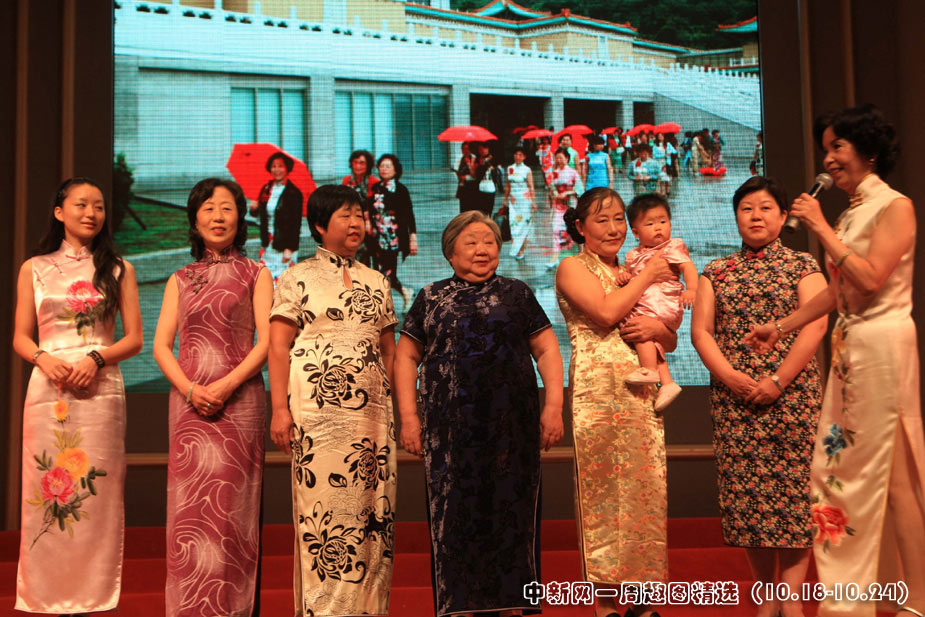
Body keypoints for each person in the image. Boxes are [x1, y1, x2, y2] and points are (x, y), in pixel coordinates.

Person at [745, 104, 925, 617]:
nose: (827, 160)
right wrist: (781, 326)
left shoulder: (895, 207)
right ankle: (876, 593)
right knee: (852, 468)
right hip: (852, 349)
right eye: (825, 149)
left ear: (868, 151)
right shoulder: (851, 212)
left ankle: (915, 597)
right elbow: (838, 290)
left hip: (883, 346)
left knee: (893, 473)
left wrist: (821, 228)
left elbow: (869, 279)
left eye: (837, 147)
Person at [394, 210, 564, 617]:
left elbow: (546, 350)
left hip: (512, 429)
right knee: (455, 517)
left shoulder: (517, 293)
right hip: (450, 434)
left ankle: (511, 604)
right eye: (470, 242)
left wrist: (554, 407)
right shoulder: (431, 297)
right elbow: (405, 358)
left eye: (489, 241)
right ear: (450, 253)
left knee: (512, 513)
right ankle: (461, 607)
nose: (482, 249)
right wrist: (409, 418)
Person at [691, 176, 827, 617]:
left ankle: (791, 600)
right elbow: (701, 332)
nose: (755, 216)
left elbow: (816, 324)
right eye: (746, 208)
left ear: (783, 216)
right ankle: (767, 597)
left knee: (794, 499)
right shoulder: (716, 270)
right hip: (735, 401)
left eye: (766, 207)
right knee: (747, 500)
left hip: (793, 397)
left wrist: (779, 380)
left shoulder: (803, 264)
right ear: (735, 217)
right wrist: (731, 378)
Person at [12, 177, 143, 613]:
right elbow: (20, 336)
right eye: (82, 204)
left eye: (99, 206)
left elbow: (134, 339)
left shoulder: (119, 268)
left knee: (97, 494)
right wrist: (43, 359)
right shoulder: (34, 268)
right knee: (47, 491)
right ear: (59, 212)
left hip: (99, 391)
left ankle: (93, 596)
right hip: (48, 389)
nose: (92, 213)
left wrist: (96, 359)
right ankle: (45, 594)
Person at [267, 184, 398, 617]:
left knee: (372, 513)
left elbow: (389, 350)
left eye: (359, 214)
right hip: (317, 415)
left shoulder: (377, 280)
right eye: (345, 215)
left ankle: (369, 610)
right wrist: (280, 410)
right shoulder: (297, 277)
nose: (356, 222)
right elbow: (278, 347)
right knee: (323, 513)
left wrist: (393, 406)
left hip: (372, 419)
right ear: (320, 225)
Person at [153, 178, 273, 617]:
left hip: (240, 402)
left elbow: (266, 343)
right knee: (190, 512)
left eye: (226, 207)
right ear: (194, 219)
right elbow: (161, 346)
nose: (218, 216)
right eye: (208, 208)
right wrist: (190, 389)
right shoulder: (180, 278)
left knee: (232, 512)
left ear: (240, 218)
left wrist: (225, 386)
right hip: (188, 407)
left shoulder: (257, 273)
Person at [555, 187, 676, 617]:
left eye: (620, 218)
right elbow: (606, 314)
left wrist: (659, 332)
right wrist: (649, 274)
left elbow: (667, 334)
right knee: (602, 493)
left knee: (646, 488)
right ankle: (604, 605)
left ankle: (643, 602)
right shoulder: (572, 267)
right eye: (602, 220)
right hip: (597, 393)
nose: (614, 228)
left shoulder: (630, 268)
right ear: (580, 227)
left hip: (641, 391)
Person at [617, 193, 697, 411]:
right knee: (649, 337)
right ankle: (667, 382)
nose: (658, 228)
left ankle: (649, 370)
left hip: (663, 301)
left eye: (663, 221)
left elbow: (688, 267)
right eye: (650, 224)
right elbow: (635, 277)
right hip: (650, 302)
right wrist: (626, 277)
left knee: (638, 325)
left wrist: (691, 288)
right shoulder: (633, 255)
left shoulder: (672, 246)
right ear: (636, 232)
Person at [369, 153, 418, 311]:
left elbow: (409, 215)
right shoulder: (375, 188)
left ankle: (396, 298)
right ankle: (404, 293)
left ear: (395, 170)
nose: (384, 169)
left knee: (388, 272)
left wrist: (413, 236)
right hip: (378, 237)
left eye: (388, 166)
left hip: (393, 237)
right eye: (381, 166)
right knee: (380, 272)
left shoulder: (401, 189)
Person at [249, 150, 304, 281]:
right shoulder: (266, 189)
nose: (277, 170)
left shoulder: (294, 193)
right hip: (268, 243)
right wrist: (254, 209)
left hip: (284, 245)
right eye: (274, 166)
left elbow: (296, 224)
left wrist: (290, 248)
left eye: (280, 166)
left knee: (284, 282)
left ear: (287, 169)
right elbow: (260, 214)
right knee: (266, 280)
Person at [342, 149, 379, 265]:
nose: (358, 166)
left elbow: (376, 206)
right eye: (355, 162)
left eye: (362, 163)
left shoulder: (374, 182)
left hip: (370, 226)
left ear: (368, 165)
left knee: (375, 259)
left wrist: (368, 220)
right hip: (352, 225)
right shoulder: (347, 180)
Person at [547, 147, 580, 269]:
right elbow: (551, 187)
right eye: (557, 158)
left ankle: (579, 255)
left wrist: (567, 192)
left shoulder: (573, 172)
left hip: (570, 206)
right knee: (556, 230)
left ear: (567, 158)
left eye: (561, 158)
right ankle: (554, 258)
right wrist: (555, 193)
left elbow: (580, 189)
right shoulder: (554, 173)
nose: (559, 160)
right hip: (558, 207)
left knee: (573, 230)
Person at [502, 146, 537, 260]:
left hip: (524, 200)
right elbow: (508, 186)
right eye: (516, 154)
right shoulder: (510, 168)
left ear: (524, 157)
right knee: (514, 223)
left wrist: (533, 202)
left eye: (520, 155)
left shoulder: (527, 170)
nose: (518, 157)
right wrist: (505, 199)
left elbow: (531, 186)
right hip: (513, 200)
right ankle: (515, 248)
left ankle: (522, 249)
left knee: (524, 224)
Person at [471, 141, 501, 216]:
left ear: (487, 149)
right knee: (480, 208)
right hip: (480, 187)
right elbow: (474, 174)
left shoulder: (493, 159)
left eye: (483, 149)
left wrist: (492, 168)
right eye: (479, 149)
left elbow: (498, 172)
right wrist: (478, 165)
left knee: (489, 207)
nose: (481, 151)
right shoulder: (477, 159)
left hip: (490, 186)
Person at [455, 141, 477, 213]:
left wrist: (469, 164)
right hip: (463, 186)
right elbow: (457, 171)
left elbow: (475, 174)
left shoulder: (474, 158)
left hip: (472, 186)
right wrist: (460, 177)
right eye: (464, 149)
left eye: (467, 149)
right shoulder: (459, 159)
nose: (465, 151)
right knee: (463, 208)